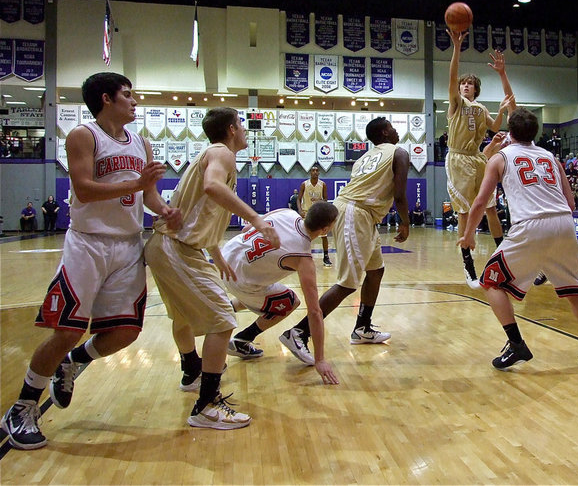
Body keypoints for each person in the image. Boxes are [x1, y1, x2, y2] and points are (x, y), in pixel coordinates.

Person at [1, 72, 180, 450]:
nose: (135, 101)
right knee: (67, 330)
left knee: (126, 331)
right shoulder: (83, 135)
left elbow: (148, 195)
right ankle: (22, 407)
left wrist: (164, 210)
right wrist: (136, 184)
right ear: (106, 99)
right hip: (88, 244)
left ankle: (73, 361)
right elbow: (82, 189)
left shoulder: (141, 142)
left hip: (128, 244)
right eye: (127, 95)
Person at [144, 107, 280, 431]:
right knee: (223, 318)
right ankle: (206, 405)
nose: (244, 130)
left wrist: (216, 253)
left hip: (170, 245)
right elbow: (212, 188)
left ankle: (192, 371)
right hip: (176, 246)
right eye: (241, 124)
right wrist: (257, 219)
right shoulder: (222, 153)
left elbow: (200, 213)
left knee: (183, 317)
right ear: (232, 129)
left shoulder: (212, 154)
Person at [458, 108, 578, 369]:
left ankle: (516, 344)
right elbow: (570, 202)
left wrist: (468, 235)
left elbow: (481, 201)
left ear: (510, 131)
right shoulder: (551, 157)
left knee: (491, 282)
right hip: (563, 223)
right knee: (575, 291)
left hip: (530, 225)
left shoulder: (500, 158)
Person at [278, 117, 410, 366]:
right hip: (355, 212)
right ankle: (299, 332)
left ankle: (362, 328)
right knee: (348, 283)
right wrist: (405, 222)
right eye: (392, 127)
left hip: (363, 214)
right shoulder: (399, 152)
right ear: (385, 132)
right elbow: (400, 194)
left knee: (376, 271)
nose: (396, 131)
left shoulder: (365, 157)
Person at [222, 203, 339, 384]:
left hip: (225, 256)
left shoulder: (286, 212)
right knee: (289, 302)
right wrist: (320, 359)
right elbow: (315, 311)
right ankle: (242, 340)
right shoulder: (303, 257)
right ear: (325, 230)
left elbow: (247, 228)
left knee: (266, 290)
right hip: (239, 280)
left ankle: (228, 307)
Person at [446, 27, 514, 284]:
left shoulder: (480, 108)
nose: (465, 85)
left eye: (470, 84)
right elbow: (452, 76)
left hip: (477, 158)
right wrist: (456, 48)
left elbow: (495, 127)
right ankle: (468, 264)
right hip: (458, 158)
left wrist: (501, 110)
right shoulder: (456, 103)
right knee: (464, 212)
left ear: (476, 89)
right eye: (463, 83)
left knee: (491, 208)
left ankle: (502, 256)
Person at [298, 165, 332, 267]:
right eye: (313, 170)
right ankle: (302, 256)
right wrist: (300, 210)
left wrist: (320, 202)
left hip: (318, 213)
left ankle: (326, 257)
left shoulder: (323, 184)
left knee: (324, 236)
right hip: (307, 212)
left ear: (319, 173)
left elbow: (325, 199)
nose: (315, 172)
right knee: (304, 236)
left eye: (317, 170)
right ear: (310, 172)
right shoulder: (304, 184)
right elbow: (299, 199)